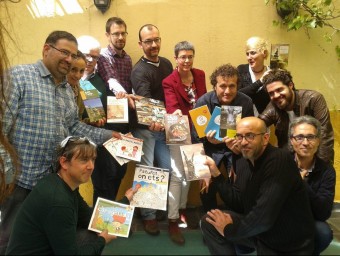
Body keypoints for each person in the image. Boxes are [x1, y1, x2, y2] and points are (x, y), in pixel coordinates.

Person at [0, 30, 121, 254]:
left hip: (53, 183)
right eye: (64, 52)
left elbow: (73, 126)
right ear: (46, 49)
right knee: (11, 242)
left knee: (46, 243)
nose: (69, 59)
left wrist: (108, 135)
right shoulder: (18, 77)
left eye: (73, 55)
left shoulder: (67, 90)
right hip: (20, 182)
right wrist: (8, 176)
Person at [201, 116, 315, 255]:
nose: (243, 142)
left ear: (265, 138)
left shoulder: (279, 160)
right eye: (239, 136)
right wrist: (216, 173)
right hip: (264, 235)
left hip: (288, 244)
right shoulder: (245, 160)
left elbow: (263, 218)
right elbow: (239, 204)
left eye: (250, 136)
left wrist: (228, 230)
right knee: (210, 220)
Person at [6, 136, 138, 255]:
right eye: (84, 160)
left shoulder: (59, 183)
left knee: (90, 234)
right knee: (92, 239)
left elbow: (91, 218)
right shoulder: (59, 201)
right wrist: (102, 241)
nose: (91, 166)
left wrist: (126, 200)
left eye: (93, 159)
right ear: (64, 162)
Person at [162, 41, 207, 245]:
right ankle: (172, 220)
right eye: (183, 57)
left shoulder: (200, 75)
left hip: (199, 130)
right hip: (179, 130)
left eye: (190, 56)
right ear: (176, 58)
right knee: (177, 175)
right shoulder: (169, 81)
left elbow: (204, 100)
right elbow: (172, 106)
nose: (187, 60)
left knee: (191, 175)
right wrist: (177, 113)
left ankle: (182, 211)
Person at [130, 24, 173, 236]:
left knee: (166, 168)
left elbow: (171, 93)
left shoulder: (166, 63)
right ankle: (148, 215)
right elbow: (145, 103)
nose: (153, 44)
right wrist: (156, 121)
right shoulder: (139, 71)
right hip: (145, 129)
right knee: (147, 170)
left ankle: (155, 207)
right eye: (148, 41)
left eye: (156, 39)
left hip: (164, 127)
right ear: (140, 44)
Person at [194, 64, 254, 212]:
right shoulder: (203, 102)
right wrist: (206, 141)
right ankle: (210, 217)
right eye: (223, 86)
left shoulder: (245, 102)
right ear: (215, 86)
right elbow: (195, 137)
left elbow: (251, 132)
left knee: (239, 183)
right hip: (208, 149)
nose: (227, 91)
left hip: (235, 149)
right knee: (206, 187)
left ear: (237, 86)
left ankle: (234, 217)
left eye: (232, 86)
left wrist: (239, 143)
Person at [77, 35, 129, 204]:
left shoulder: (102, 80)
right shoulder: (69, 80)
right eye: (87, 55)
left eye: (95, 56)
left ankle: (104, 220)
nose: (90, 60)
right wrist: (87, 122)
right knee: (95, 182)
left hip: (103, 136)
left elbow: (110, 109)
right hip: (76, 140)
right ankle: (96, 220)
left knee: (113, 176)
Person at [259, 68, 334, 163]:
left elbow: (325, 135)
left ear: (290, 85)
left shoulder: (313, 99)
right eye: (271, 93)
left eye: (279, 90)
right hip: (289, 160)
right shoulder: (273, 106)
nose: (276, 95)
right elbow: (257, 124)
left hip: (314, 156)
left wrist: (319, 168)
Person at [288, 115, 336, 255]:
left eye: (311, 137)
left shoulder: (326, 171)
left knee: (323, 232)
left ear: (318, 141)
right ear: (292, 140)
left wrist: (302, 184)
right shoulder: (281, 163)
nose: (305, 142)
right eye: (299, 137)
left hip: (309, 218)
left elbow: (323, 213)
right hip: (281, 217)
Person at [97, 17, 133, 94]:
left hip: (128, 102)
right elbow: (111, 80)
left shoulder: (127, 58)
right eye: (116, 34)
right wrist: (126, 97)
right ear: (108, 35)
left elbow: (131, 84)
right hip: (112, 103)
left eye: (123, 33)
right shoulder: (103, 56)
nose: (121, 37)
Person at [237, 36, 271, 115]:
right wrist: (260, 82)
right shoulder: (241, 70)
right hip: (243, 120)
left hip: (266, 121)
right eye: (247, 54)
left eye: (253, 53)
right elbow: (237, 95)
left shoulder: (271, 73)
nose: (249, 57)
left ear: (264, 53)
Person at [67, 50, 87, 119]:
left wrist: (91, 122)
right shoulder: (57, 90)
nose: (77, 75)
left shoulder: (80, 92)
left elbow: (76, 122)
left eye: (81, 71)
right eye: (73, 70)